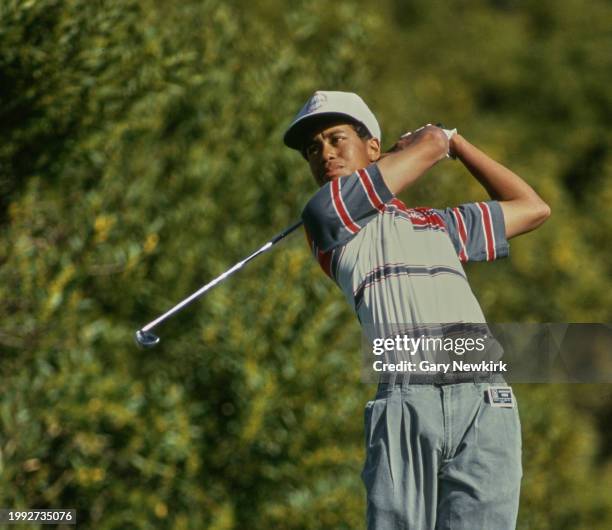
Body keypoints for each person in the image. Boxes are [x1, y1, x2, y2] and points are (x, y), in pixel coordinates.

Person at [283, 90, 550, 530]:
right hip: (407, 397)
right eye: (313, 149)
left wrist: (460, 145)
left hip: (485, 398)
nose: (324, 154)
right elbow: (428, 146)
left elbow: (533, 208)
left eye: (336, 139)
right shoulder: (326, 218)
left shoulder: (437, 225)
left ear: (373, 147)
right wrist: (435, 138)